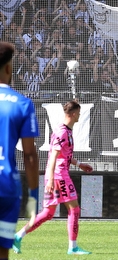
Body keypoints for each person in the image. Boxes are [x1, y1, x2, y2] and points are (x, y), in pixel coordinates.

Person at [13, 99, 93, 255]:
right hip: (59, 176)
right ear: (74, 113)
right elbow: (53, 157)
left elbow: (64, 155)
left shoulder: (66, 131)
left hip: (57, 175)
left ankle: (18, 235)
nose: (79, 117)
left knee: (48, 213)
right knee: (74, 209)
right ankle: (73, 247)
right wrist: (49, 179)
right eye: (79, 114)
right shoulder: (63, 132)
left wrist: (79, 164)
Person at [0, 42, 39, 260]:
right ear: (8, 68)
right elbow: (30, 155)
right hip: (6, 187)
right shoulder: (22, 104)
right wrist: (33, 196)